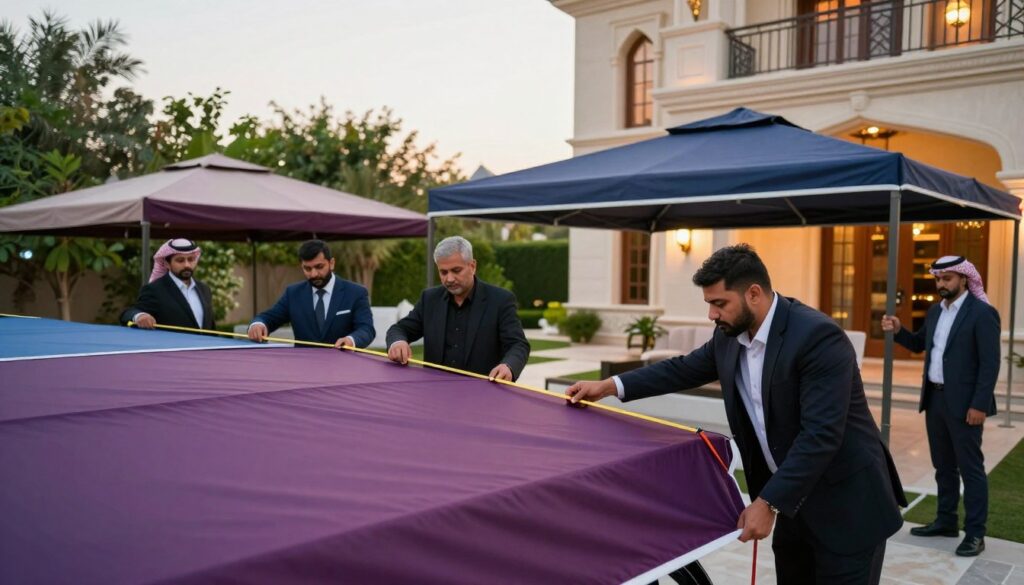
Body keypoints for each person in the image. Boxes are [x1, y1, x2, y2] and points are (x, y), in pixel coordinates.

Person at [567, 244, 906, 585]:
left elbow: (820, 435)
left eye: (719, 303)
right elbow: (681, 369)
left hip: (848, 505)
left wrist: (768, 502)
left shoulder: (818, 337)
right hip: (794, 504)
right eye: (709, 304)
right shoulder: (728, 336)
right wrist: (609, 386)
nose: (711, 315)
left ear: (754, 294)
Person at [882, 255, 999, 557]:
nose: (941, 284)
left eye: (947, 278)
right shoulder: (936, 311)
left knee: (971, 470)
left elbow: (990, 364)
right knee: (943, 466)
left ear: (963, 278)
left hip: (966, 405)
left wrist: (979, 405)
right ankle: (946, 521)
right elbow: (921, 344)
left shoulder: (982, 313)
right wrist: (898, 330)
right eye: (937, 279)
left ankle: (975, 533)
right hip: (935, 400)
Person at [386, 236, 530, 381]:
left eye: (456, 270)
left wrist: (509, 366)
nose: (449, 279)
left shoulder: (500, 300)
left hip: (482, 395)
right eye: (443, 272)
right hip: (435, 394)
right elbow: (399, 329)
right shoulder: (429, 299)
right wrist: (398, 342)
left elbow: (518, 344)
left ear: (472, 266)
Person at [248, 240, 374, 348]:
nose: (313, 274)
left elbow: (367, 329)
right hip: (303, 370)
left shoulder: (356, 293)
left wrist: (351, 340)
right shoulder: (293, 294)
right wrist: (258, 324)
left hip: (344, 368)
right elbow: (269, 318)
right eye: (307, 269)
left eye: (319, 267)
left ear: (332, 263)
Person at [120, 238, 214, 330]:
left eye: (191, 259)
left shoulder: (204, 289)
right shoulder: (155, 290)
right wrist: (140, 316)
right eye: (180, 260)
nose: (187, 265)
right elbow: (129, 313)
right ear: (167, 264)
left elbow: (210, 326)